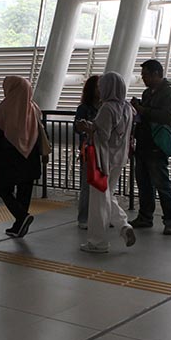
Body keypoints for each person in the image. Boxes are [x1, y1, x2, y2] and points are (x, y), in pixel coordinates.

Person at [76, 72, 135, 253]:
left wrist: (88, 128)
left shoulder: (107, 108)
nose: (100, 89)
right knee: (107, 194)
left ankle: (97, 241)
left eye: (102, 86)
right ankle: (123, 225)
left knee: (98, 199)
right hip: (119, 158)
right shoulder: (127, 107)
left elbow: (103, 135)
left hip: (103, 159)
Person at [0, 76, 44, 238]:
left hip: (9, 157)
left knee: (4, 189)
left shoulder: (4, 107)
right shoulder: (34, 108)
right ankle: (19, 225)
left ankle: (22, 217)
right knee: (24, 192)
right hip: (30, 157)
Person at [130, 59, 171, 235]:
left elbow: (168, 116)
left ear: (156, 74)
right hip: (143, 143)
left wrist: (142, 110)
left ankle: (170, 220)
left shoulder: (169, 92)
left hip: (156, 146)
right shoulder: (147, 93)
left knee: (161, 183)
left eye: (145, 75)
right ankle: (145, 216)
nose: (143, 78)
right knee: (143, 183)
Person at [74, 75, 100, 229]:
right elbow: (77, 128)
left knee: (104, 185)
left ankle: (102, 215)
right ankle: (83, 217)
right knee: (87, 184)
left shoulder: (106, 107)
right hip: (89, 150)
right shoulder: (84, 108)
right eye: (98, 87)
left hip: (102, 151)